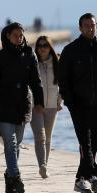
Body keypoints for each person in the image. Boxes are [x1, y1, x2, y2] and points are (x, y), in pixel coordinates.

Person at [57, 13, 97, 193]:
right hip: (78, 104)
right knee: (85, 142)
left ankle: (81, 179)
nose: (90, 28)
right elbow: (63, 79)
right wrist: (70, 101)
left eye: (93, 25)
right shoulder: (70, 50)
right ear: (80, 28)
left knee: (94, 143)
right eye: (87, 25)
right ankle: (93, 176)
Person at [0, 22, 44, 193]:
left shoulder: (29, 54)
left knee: (17, 144)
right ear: (7, 36)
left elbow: (36, 80)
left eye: (21, 35)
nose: (19, 38)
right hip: (3, 105)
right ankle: (16, 176)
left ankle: (9, 178)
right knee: (10, 144)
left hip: (23, 104)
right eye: (15, 35)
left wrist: (40, 102)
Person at [30, 35, 63, 178]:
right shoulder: (32, 63)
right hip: (35, 106)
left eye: (45, 45)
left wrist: (59, 101)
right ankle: (42, 165)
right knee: (40, 137)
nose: (42, 48)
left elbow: (63, 84)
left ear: (50, 47)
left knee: (48, 138)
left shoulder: (57, 63)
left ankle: (45, 165)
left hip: (51, 106)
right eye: (40, 46)